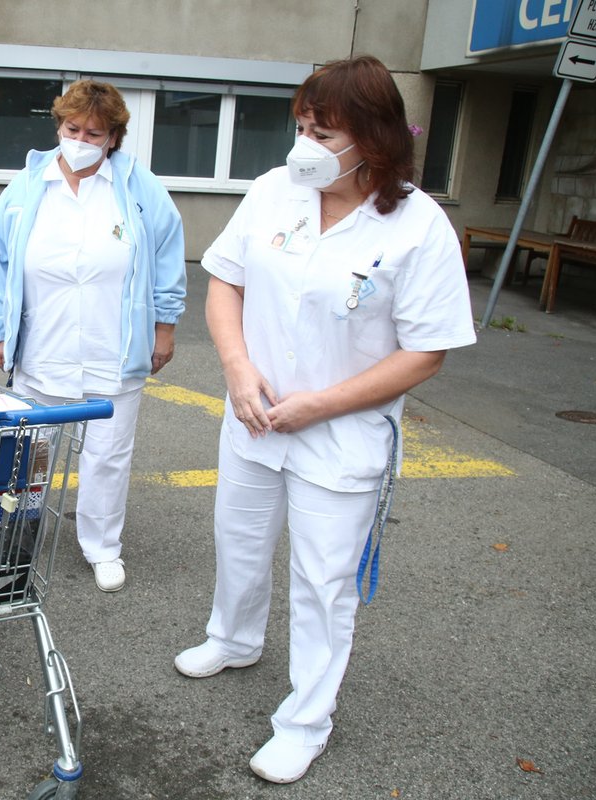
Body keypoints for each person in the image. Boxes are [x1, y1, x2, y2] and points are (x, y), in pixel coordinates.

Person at [174, 56, 476, 783]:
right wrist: (239, 371)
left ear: (373, 138)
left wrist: (320, 404)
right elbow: (225, 286)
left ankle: (305, 721)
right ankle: (234, 638)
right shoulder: (275, 191)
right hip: (253, 415)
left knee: (323, 580)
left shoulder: (418, 224)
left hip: (340, 435)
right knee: (238, 539)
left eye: (324, 130)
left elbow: (426, 352)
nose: (305, 143)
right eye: (301, 125)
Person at [0, 79, 186, 593]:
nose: (81, 139)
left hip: (112, 347)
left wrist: (165, 327)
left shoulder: (140, 189)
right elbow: (0, 264)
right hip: (42, 345)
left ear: (114, 137)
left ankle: (102, 546)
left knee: (108, 453)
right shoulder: (27, 187)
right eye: (73, 128)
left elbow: (166, 257)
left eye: (95, 133)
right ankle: (12, 539)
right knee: (27, 449)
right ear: (59, 126)